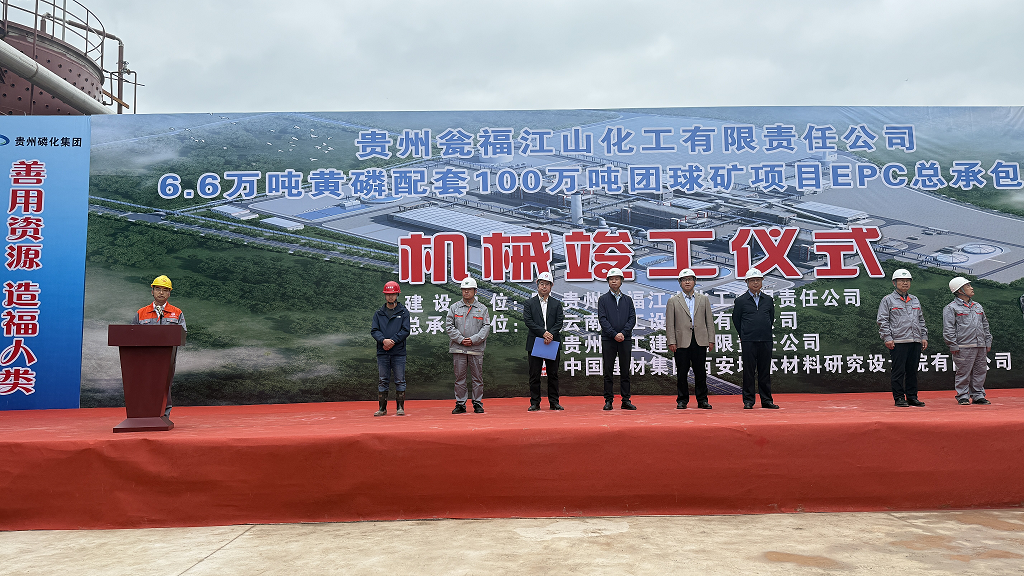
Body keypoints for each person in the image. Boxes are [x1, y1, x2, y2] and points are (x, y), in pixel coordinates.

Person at [131, 275, 186, 418]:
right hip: (145, 357)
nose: (161, 293)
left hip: (167, 357)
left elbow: (183, 334)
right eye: (158, 289)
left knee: (165, 385)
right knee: (145, 383)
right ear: (152, 291)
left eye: (165, 290)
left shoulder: (177, 313)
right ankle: (144, 414)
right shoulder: (141, 313)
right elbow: (132, 334)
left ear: (169, 293)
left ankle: (164, 415)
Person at [876, 268, 928, 408]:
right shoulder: (888, 300)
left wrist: (923, 336)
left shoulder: (915, 299)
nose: (905, 283)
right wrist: (887, 338)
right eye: (901, 280)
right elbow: (882, 320)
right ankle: (899, 397)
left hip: (915, 340)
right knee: (899, 371)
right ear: (894, 283)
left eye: (907, 281)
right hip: (898, 341)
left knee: (912, 371)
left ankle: (912, 397)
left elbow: (921, 320)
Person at [666, 269, 716, 409]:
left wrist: (711, 339)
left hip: (699, 340)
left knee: (700, 372)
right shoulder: (673, 301)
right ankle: (682, 400)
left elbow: (709, 321)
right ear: (680, 283)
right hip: (681, 341)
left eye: (690, 279)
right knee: (682, 373)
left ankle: (702, 400)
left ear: (695, 281)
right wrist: (671, 341)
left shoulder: (703, 299)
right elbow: (670, 323)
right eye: (684, 279)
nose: (687, 282)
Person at [732, 268, 778, 409]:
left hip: (765, 339)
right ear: (747, 282)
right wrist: (744, 334)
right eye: (752, 280)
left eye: (758, 280)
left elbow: (770, 318)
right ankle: (748, 400)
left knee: (764, 371)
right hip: (748, 340)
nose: (755, 283)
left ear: (762, 281)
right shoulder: (740, 301)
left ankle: (766, 400)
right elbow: (736, 320)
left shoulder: (768, 300)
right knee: (749, 371)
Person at [943, 277, 992, 405]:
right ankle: (963, 395)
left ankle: (978, 395)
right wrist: (952, 344)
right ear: (960, 290)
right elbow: (948, 328)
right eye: (968, 286)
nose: (971, 288)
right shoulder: (951, 308)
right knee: (963, 372)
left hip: (980, 344)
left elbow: (985, 325)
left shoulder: (977, 306)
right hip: (963, 346)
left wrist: (987, 341)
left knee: (980, 371)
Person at [445, 277, 490, 414]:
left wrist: (473, 339)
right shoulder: (454, 308)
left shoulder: (482, 309)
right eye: (464, 289)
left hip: (475, 349)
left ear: (475, 291)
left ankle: (477, 403)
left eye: (469, 289)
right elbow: (449, 326)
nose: (466, 292)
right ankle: (460, 404)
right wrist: (461, 339)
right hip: (459, 349)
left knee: (477, 378)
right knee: (460, 378)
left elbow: (486, 327)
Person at [523, 271, 565, 411]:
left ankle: (554, 402)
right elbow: (528, 321)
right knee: (534, 374)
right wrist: (543, 333)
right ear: (537, 285)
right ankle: (535, 402)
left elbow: (559, 322)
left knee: (553, 374)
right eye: (542, 284)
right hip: (536, 341)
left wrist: (550, 334)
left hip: (552, 342)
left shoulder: (556, 304)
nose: (544, 287)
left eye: (547, 284)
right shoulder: (529, 303)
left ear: (551, 286)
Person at [598, 267, 637, 410]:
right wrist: (614, 334)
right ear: (608, 282)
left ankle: (626, 400)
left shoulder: (628, 300)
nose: (614, 281)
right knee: (608, 370)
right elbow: (602, 319)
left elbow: (632, 319)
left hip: (625, 339)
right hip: (609, 339)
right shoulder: (603, 299)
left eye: (617, 279)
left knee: (625, 370)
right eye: (611, 279)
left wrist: (623, 333)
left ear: (621, 281)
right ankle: (608, 400)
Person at [370, 281, 411, 416]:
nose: (390, 296)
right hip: (383, 352)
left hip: (398, 352)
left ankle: (400, 408)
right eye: (388, 294)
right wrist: (383, 340)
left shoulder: (403, 312)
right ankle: (382, 408)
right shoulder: (378, 313)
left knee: (400, 380)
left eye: (393, 294)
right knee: (383, 380)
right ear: (385, 295)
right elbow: (374, 330)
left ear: (397, 294)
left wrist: (393, 341)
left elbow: (405, 330)